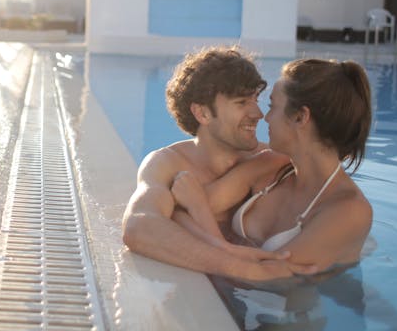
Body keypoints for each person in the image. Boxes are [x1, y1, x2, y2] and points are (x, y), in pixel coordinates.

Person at [122, 46, 314, 281]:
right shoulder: (168, 164)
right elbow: (139, 228)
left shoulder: (273, 161)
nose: (257, 113)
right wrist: (247, 268)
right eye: (242, 102)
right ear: (202, 114)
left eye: (256, 99)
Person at [171, 58, 373, 274]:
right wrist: (228, 249)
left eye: (272, 107)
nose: (264, 117)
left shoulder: (349, 211)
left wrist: (200, 210)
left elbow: (266, 278)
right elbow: (178, 212)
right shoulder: (269, 167)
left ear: (300, 117)